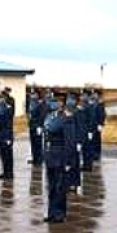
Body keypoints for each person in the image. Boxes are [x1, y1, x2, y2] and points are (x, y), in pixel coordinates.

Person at [43, 91, 77, 222]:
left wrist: (69, 161)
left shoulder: (66, 118)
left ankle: (59, 214)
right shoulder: (50, 116)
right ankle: (51, 212)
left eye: (56, 101)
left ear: (62, 103)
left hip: (60, 155)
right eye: (52, 101)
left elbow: (69, 141)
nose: (53, 103)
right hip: (50, 155)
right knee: (51, 187)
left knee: (60, 187)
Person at [0, 89, 15, 179]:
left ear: (4, 98)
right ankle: (5, 172)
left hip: (6, 134)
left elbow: (8, 124)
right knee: (3, 155)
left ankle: (9, 173)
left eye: (0, 98)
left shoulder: (8, 108)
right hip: (0, 134)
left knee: (8, 155)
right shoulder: (0, 107)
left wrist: (8, 138)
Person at [27, 88, 47, 166]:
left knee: (38, 144)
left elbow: (42, 116)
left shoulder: (41, 103)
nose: (32, 95)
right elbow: (30, 114)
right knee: (33, 143)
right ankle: (34, 158)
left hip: (37, 126)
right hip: (32, 125)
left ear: (38, 95)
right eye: (32, 94)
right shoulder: (32, 103)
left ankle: (39, 160)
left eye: (34, 94)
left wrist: (40, 126)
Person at [93, 90, 107, 162]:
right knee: (94, 139)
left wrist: (100, 124)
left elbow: (102, 114)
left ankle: (97, 154)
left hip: (97, 124)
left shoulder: (100, 103)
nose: (93, 95)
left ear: (98, 95)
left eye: (95, 94)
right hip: (94, 124)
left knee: (97, 140)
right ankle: (95, 154)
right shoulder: (95, 102)